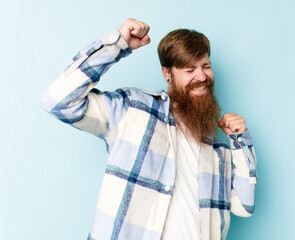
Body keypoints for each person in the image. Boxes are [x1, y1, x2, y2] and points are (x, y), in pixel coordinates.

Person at [41, 18, 257, 240]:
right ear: (167, 73)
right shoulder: (131, 109)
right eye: (189, 69)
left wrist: (240, 143)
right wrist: (117, 45)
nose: (201, 76)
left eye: (206, 66)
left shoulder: (217, 143)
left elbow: (244, 205)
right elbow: (57, 102)